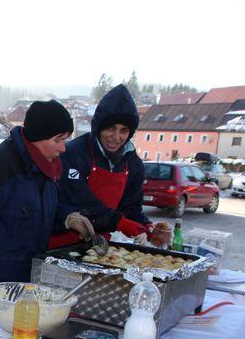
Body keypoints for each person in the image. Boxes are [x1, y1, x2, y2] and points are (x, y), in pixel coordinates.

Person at [0, 100, 93, 333]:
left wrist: (67, 217)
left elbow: (37, 211)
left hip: (24, 289)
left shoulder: (45, 168)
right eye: (58, 140)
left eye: (65, 139)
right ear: (38, 137)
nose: (63, 148)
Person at [50, 85, 171, 248]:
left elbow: (131, 208)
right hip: (60, 243)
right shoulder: (74, 153)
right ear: (99, 127)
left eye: (124, 130)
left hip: (99, 247)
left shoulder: (133, 163)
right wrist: (120, 222)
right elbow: (81, 202)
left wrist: (148, 228)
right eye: (111, 128)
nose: (116, 137)